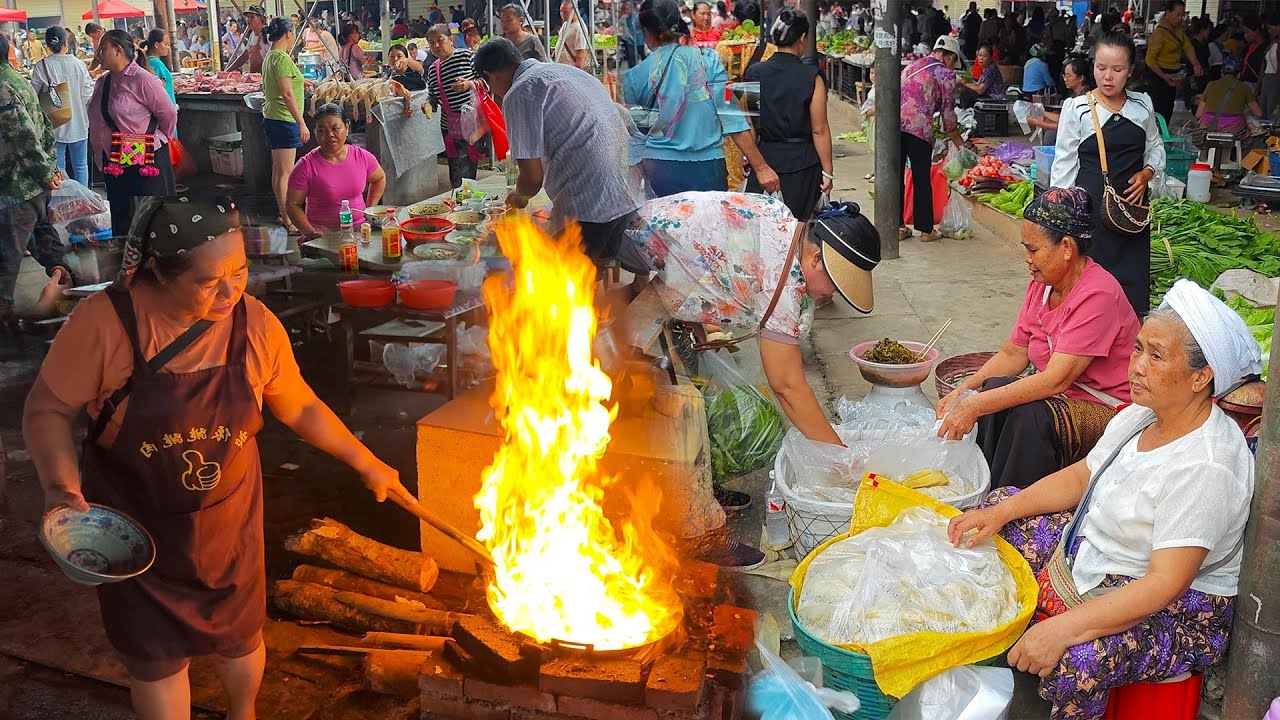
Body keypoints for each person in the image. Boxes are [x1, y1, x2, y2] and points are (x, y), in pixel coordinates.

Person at [23, 196, 410, 720]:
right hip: (134, 524)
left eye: (241, 271)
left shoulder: (254, 324)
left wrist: (366, 461)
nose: (232, 291)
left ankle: (242, 713)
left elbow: (300, 406)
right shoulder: (105, 324)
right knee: (155, 657)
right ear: (158, 272)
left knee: (240, 636)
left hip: (228, 518)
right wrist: (60, 489)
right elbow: (46, 410)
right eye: (209, 281)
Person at [948, 279, 1259, 720]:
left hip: (1182, 605)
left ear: (1200, 377)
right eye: (1137, 349)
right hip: (1113, 554)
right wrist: (1000, 511)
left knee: (1080, 661)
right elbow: (1084, 475)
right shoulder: (1142, 414)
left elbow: (1162, 584)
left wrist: (1062, 630)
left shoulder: (1207, 467)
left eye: (1156, 355)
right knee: (999, 512)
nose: (1136, 366)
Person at [627, 194, 879, 449]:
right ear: (815, 259)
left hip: (642, 216)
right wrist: (840, 456)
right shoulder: (781, 285)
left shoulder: (780, 215)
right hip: (631, 242)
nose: (831, 294)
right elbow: (787, 387)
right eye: (835, 285)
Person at [936, 188, 1140, 490]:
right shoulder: (1043, 285)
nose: (1026, 259)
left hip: (1109, 408)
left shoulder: (1098, 294)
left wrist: (975, 406)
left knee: (1030, 416)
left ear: (1067, 248)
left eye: (1033, 250)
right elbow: (1013, 354)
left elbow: (1056, 380)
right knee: (995, 388)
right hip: (1066, 395)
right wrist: (965, 391)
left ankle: (1013, 506)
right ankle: (983, 488)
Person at [472, 37, 639, 268]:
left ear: (490, 76)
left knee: (562, 279)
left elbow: (532, 178)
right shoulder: (566, 71)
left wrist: (515, 201)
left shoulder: (520, 92)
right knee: (591, 272)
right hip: (626, 191)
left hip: (589, 206)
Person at [1052, 31, 1164, 315]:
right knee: (1091, 290)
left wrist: (1147, 173)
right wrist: (1063, 218)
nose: (1108, 77)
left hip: (1131, 212)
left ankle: (1127, 351)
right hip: (1091, 215)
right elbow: (1064, 166)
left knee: (1131, 291)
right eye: (1101, 68)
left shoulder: (1142, 106)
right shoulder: (1076, 108)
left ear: (1131, 71)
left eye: (1117, 69)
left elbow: (1155, 148)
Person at [622, 0, 777, 198]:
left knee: (664, 226)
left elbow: (638, 135)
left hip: (658, 169)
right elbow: (732, 118)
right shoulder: (709, 62)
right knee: (708, 226)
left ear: (647, 32)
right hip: (707, 168)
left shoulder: (634, 77)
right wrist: (761, 166)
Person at [0, 31, 69, 320]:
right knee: (43, 237)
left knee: (6, 259)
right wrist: (49, 171)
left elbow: (24, 136)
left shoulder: (3, 87)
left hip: (18, 188)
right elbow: (44, 125)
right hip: (32, 187)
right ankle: (68, 287)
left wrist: (44, 173)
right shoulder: (18, 81)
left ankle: (5, 322)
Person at [743, 9, 833, 222]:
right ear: (802, 39)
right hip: (803, 164)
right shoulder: (813, 77)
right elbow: (819, 129)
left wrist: (749, 158)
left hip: (765, 159)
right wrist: (828, 172)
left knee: (764, 230)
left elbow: (747, 121)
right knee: (799, 232)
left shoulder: (752, 72)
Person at [89, 30, 177, 237]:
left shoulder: (143, 79)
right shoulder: (103, 82)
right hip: (114, 163)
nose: (98, 54)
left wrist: (157, 140)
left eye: (103, 49)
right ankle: (128, 266)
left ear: (118, 51)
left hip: (146, 162)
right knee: (123, 222)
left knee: (153, 224)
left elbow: (169, 114)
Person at [899, 35, 964, 243]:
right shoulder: (945, 74)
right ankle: (926, 230)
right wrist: (957, 139)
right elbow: (948, 114)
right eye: (955, 61)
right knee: (921, 178)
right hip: (919, 129)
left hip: (894, 128)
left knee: (895, 177)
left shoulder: (912, 66)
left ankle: (898, 227)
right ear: (950, 56)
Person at [286, 104, 386, 238]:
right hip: (322, 236)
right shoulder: (305, 165)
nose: (329, 135)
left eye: (335, 128)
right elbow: (293, 204)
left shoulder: (362, 157)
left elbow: (379, 178)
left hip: (359, 232)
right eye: (322, 130)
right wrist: (311, 233)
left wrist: (370, 209)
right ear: (315, 132)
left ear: (347, 128)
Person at [31, 26, 95, 187]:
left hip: (53, 125)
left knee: (58, 168)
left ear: (47, 45)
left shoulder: (42, 66)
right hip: (79, 123)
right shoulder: (79, 64)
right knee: (81, 166)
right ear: (66, 42)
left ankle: (62, 204)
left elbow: (32, 95)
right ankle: (82, 201)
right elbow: (88, 94)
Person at [261, 17, 309, 231]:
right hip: (284, 119)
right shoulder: (281, 58)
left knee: (278, 171)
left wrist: (302, 80)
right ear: (288, 33)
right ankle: (289, 219)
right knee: (285, 173)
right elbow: (287, 93)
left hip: (274, 117)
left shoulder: (271, 56)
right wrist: (302, 123)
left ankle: (283, 214)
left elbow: (286, 83)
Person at [423, 25, 481, 189]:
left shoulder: (467, 56)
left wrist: (469, 84)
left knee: (469, 167)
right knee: (455, 167)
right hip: (449, 128)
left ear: (451, 39)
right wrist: (429, 104)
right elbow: (433, 95)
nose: (436, 46)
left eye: (440, 40)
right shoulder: (434, 69)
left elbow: (487, 82)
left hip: (472, 124)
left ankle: (471, 203)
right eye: (431, 43)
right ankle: (459, 201)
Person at [1144, 0, 1203, 124]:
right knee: (1160, 108)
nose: (1181, 18)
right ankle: (1157, 137)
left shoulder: (1179, 30)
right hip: (1159, 74)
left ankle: (1163, 136)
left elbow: (1188, 47)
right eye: (1178, 15)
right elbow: (1150, 60)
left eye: (1183, 15)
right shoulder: (1159, 33)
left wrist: (1196, 63)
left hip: (1173, 74)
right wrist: (1164, 76)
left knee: (1169, 106)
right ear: (1168, 13)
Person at [1027, 55, 1093, 140]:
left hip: (1081, 137)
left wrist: (1038, 123)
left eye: (1069, 75)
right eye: (1064, 75)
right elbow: (1063, 118)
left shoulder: (1083, 99)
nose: (1065, 79)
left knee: (1051, 135)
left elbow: (1066, 126)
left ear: (1081, 78)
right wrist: (1040, 112)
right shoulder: (1074, 95)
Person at [1196, 56, 1261, 136]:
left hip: (1209, 126)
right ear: (1239, 74)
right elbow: (1258, 113)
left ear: (1222, 73)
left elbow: (1198, 114)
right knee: (1247, 115)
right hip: (1234, 128)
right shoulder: (1244, 87)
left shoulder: (1211, 84)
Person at [226, 4, 271, 73]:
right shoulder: (252, 34)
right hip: (255, 77)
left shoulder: (268, 36)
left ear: (262, 20)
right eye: (247, 17)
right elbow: (244, 56)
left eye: (252, 17)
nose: (248, 20)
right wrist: (227, 71)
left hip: (267, 76)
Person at [140, 29, 176, 106]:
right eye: (166, 44)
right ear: (156, 45)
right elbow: (159, 89)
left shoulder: (149, 61)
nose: (168, 47)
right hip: (165, 109)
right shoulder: (155, 63)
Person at [555, 0, 594, 69]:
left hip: (570, 69)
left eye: (566, 12)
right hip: (562, 66)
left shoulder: (578, 29)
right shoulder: (566, 23)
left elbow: (581, 53)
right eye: (561, 11)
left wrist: (575, 69)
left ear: (574, 11)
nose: (563, 15)